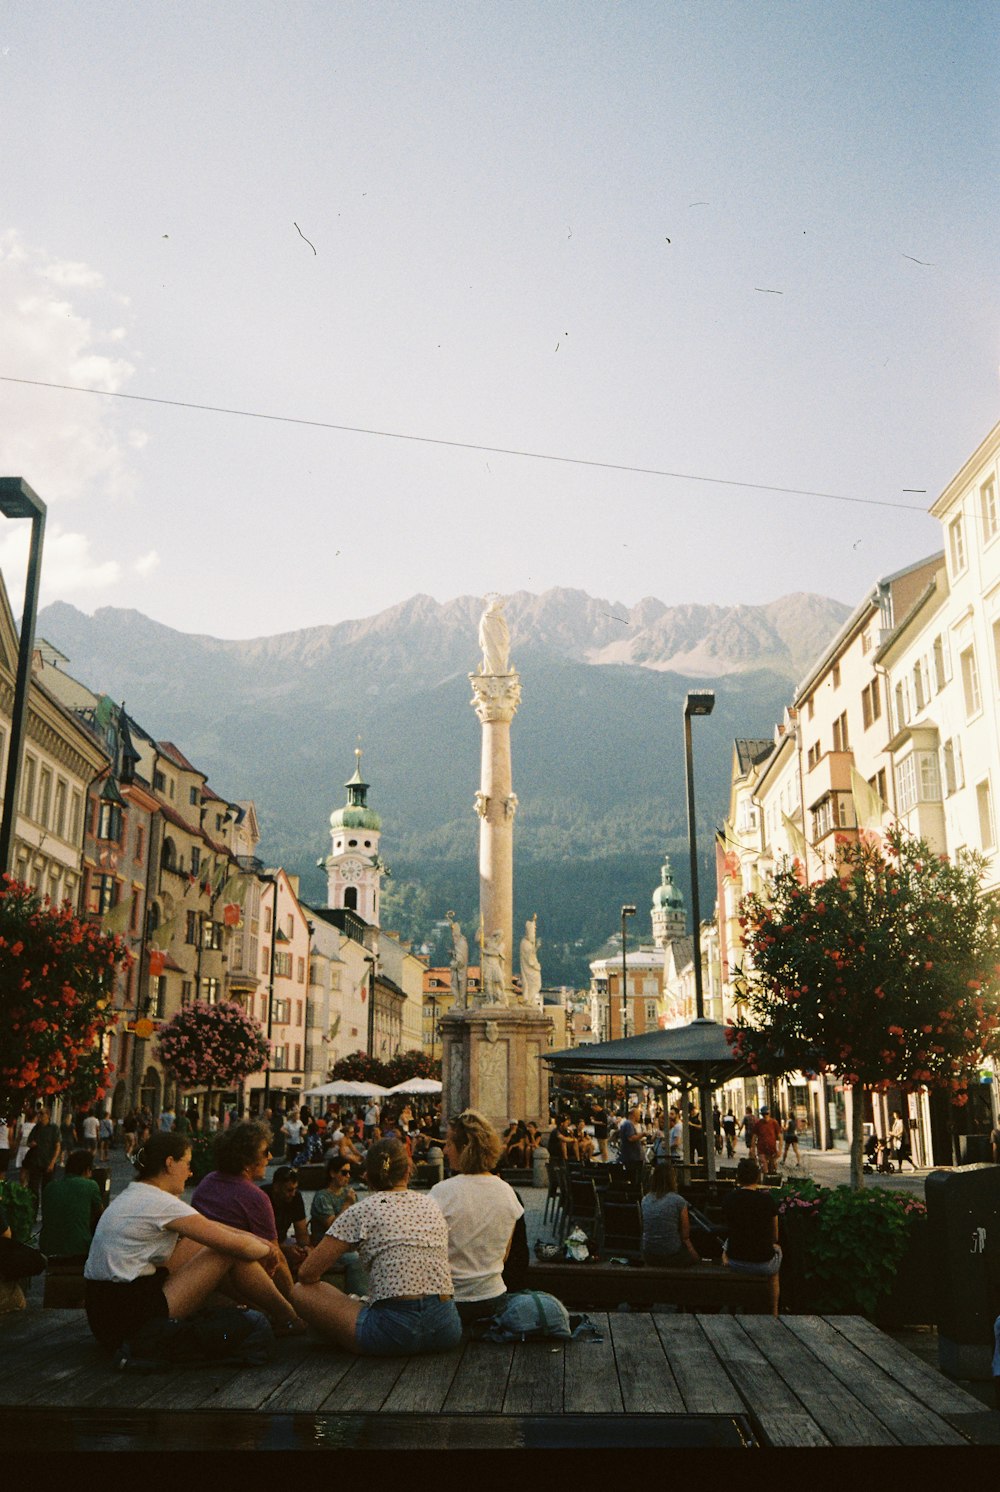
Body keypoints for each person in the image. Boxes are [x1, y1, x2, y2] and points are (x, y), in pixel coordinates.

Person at [84, 1132, 300, 1355]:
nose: (191, 1172)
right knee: (225, 1252)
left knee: (198, 1243)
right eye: (187, 1164)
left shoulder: (136, 1194)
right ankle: (289, 1317)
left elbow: (211, 1227)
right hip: (134, 1320)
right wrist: (269, 1250)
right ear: (170, 1163)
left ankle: (272, 1313)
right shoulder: (162, 1203)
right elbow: (237, 1246)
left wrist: (260, 1241)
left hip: (104, 1314)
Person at [294, 1138, 462, 1357]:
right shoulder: (431, 1204)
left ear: (367, 1174)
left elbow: (307, 1273)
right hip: (445, 1327)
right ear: (408, 1169)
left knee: (300, 1290)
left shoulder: (362, 1211)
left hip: (391, 1333)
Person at [191, 1121, 300, 1310]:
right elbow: (277, 1258)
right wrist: (296, 1304)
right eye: (265, 1152)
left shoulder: (207, 1182)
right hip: (243, 1284)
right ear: (246, 1162)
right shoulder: (256, 1197)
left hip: (204, 1276)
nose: (270, 1157)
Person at [429, 1110, 523, 1325]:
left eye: (449, 1144)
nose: (444, 1151)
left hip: (451, 1303)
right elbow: (504, 1255)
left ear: (465, 1149)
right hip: (494, 1299)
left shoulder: (442, 1192)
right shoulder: (507, 1192)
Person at [721, 1156, 781, 1316]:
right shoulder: (767, 1201)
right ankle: (774, 1309)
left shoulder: (729, 1199)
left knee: (727, 1244)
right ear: (758, 1177)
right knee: (776, 1260)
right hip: (762, 1261)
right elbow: (774, 1236)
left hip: (736, 1260)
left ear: (738, 1178)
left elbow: (729, 1228)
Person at [39, 1149, 105, 1263]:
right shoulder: (90, 1185)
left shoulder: (50, 1187)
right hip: (79, 1248)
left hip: (48, 1247)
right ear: (87, 1170)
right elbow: (102, 1216)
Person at [641, 1164, 700, 1268]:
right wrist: (695, 1256)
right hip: (672, 1255)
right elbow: (685, 1236)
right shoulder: (678, 1201)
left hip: (649, 1254)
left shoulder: (645, 1200)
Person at [261, 1166, 310, 1276]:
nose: (293, 1193)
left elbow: (302, 1233)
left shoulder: (295, 1197)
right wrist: (284, 1249)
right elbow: (257, 1237)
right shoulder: (263, 1197)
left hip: (282, 1241)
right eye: (289, 1190)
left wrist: (305, 1249)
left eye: (295, 1189)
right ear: (276, 1187)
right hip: (262, 1244)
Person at [23, 1108, 61, 1204]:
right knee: (33, 1189)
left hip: (48, 1162)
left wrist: (52, 1163)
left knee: (47, 1190)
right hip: (36, 1162)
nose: (40, 1116)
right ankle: (33, 1212)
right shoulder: (36, 1128)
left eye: (42, 1114)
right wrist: (32, 1144)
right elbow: (28, 1142)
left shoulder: (53, 1128)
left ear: (48, 1115)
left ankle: (46, 1213)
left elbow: (57, 1147)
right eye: (39, 1114)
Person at [751, 1107, 782, 1176]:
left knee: (772, 1168)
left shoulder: (774, 1123)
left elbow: (780, 1137)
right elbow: (754, 1137)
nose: (765, 1116)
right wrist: (752, 1149)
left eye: (767, 1114)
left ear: (769, 1114)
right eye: (763, 1114)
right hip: (761, 1148)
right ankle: (764, 1177)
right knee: (763, 1165)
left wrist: (779, 1150)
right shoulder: (758, 1123)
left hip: (772, 1149)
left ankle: (771, 1182)